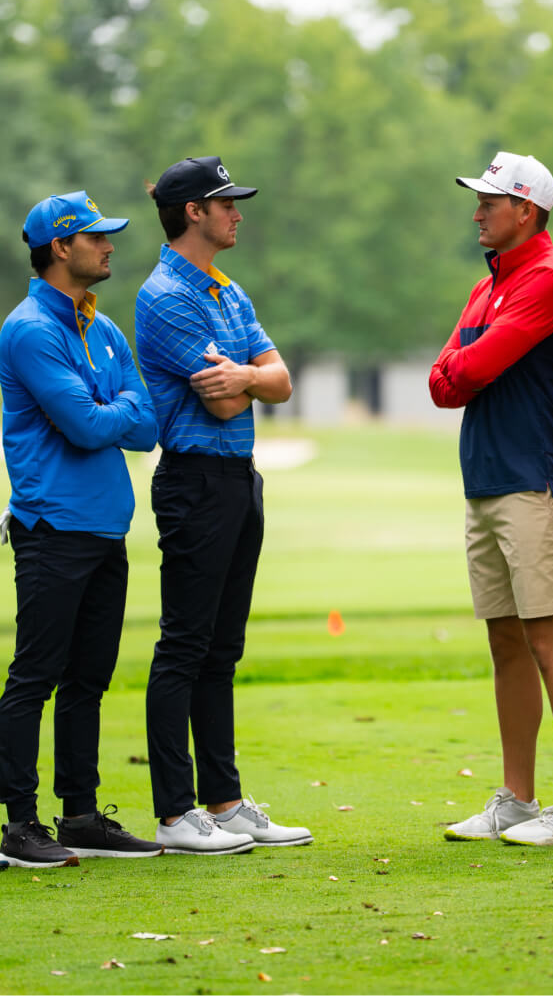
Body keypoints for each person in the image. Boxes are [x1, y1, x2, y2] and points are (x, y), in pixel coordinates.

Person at [429, 151, 553, 845]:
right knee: (505, 640)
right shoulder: (489, 286)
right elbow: (443, 384)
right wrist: (462, 366)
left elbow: (469, 367)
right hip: (487, 478)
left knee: (549, 638)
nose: (477, 212)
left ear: (525, 209)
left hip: (539, 480)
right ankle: (518, 798)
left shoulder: (550, 278)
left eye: (489, 201)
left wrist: (463, 366)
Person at [135, 156, 312, 854]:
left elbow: (281, 381)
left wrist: (247, 377)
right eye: (226, 203)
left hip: (239, 478)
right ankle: (175, 813)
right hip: (193, 481)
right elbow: (227, 400)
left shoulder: (227, 290)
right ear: (193, 212)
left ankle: (226, 801)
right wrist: (250, 377)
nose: (237, 213)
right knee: (184, 644)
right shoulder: (164, 296)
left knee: (221, 649)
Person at [0, 191, 162, 868]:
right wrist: (114, 405)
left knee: (88, 679)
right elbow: (88, 426)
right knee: (35, 676)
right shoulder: (31, 329)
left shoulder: (103, 327)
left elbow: (147, 426)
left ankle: (81, 816)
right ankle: (19, 824)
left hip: (103, 526)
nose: (108, 245)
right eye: (95, 236)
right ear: (61, 247)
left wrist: (111, 406)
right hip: (52, 527)